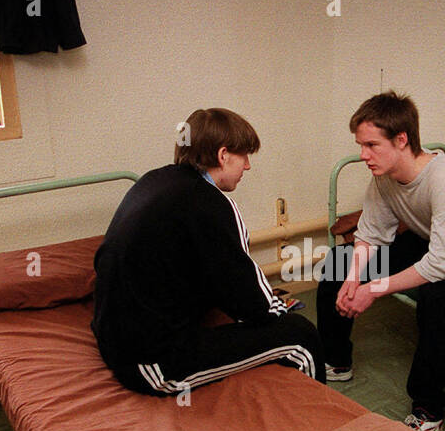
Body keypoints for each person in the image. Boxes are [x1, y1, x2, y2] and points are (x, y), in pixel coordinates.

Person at [92, 107, 324, 396]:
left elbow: (207, 269)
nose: (248, 166)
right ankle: (324, 429)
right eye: (244, 156)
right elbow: (253, 300)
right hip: (153, 365)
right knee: (301, 335)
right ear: (223, 155)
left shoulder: (154, 181)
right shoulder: (212, 205)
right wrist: (280, 311)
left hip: (112, 340)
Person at [317, 92, 445, 431]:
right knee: (337, 264)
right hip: (426, 239)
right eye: (360, 145)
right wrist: (354, 277)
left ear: (401, 139)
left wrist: (375, 288)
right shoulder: (383, 175)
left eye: (372, 145)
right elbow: (371, 233)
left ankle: (428, 408)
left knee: (435, 297)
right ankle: (336, 360)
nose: (363, 155)